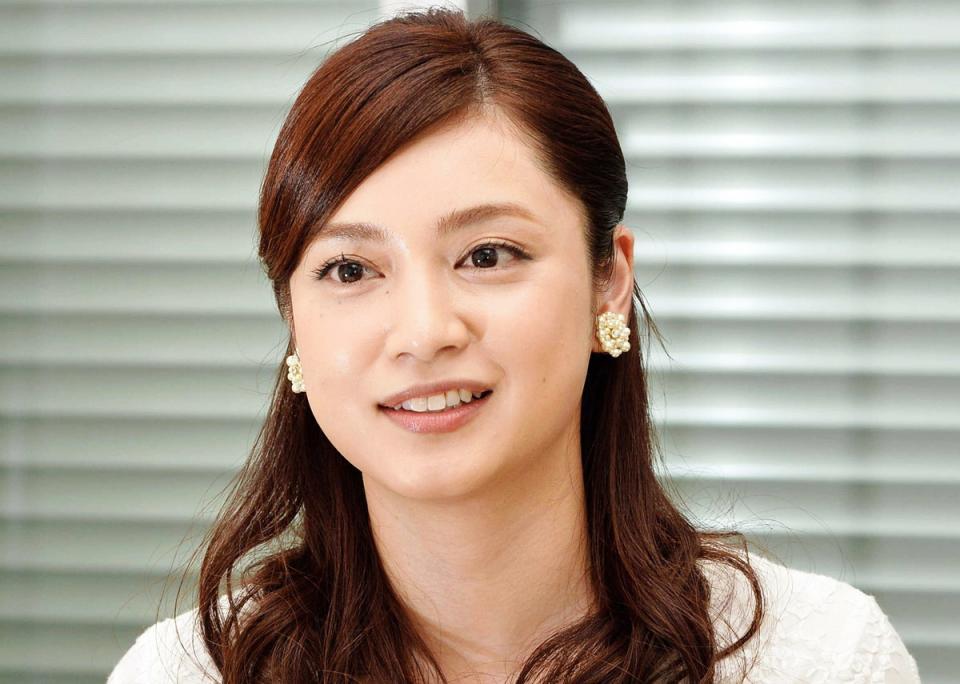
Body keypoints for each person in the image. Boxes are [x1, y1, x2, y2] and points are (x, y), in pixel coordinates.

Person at [108, 7, 921, 683]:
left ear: (609, 281)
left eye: (487, 255)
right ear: (293, 316)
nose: (424, 332)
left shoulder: (822, 659)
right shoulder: (187, 673)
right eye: (350, 269)